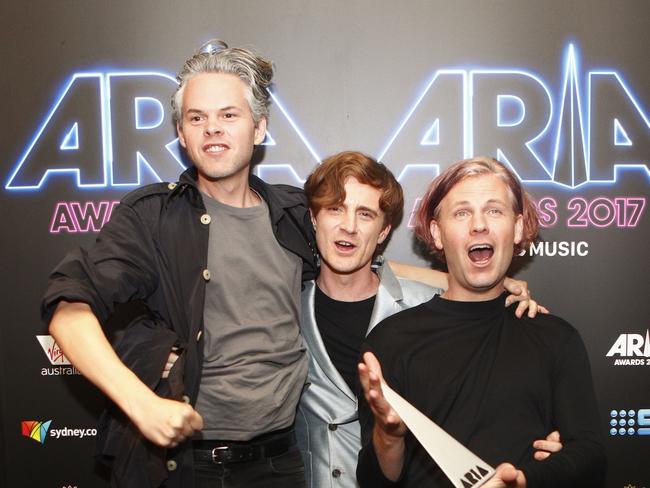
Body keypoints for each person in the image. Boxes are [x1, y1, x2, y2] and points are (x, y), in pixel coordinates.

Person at [42, 39, 318, 488]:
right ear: (182, 135)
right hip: (189, 467)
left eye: (229, 115)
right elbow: (68, 311)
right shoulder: (153, 217)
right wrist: (141, 403)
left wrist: (461, 282)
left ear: (259, 128)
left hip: (281, 462)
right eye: (197, 118)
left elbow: (366, 271)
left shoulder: (294, 213)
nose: (212, 129)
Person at [296, 152, 562, 488]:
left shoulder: (429, 307)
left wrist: (548, 446)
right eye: (336, 209)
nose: (349, 226)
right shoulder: (285, 309)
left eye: (365, 214)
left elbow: (491, 398)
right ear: (314, 218)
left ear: (383, 232)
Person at [357, 157, 606, 487]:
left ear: (517, 228)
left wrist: (524, 480)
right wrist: (388, 436)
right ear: (437, 232)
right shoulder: (390, 341)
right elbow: (374, 481)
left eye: (494, 210)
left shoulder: (555, 338)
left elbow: (590, 456)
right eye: (462, 212)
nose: (479, 225)